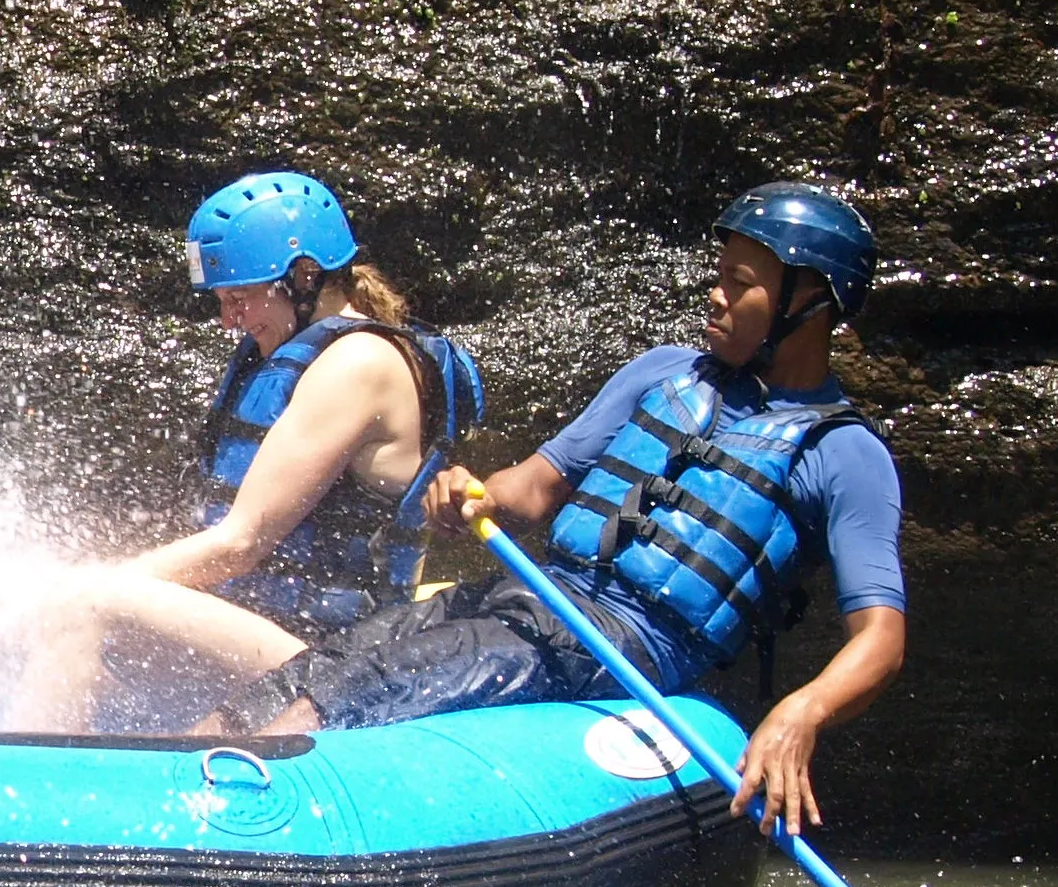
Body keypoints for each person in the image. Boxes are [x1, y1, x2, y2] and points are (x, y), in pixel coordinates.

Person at [216, 184, 907, 832]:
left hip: (625, 642)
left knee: (368, 684)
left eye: (741, 283)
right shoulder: (664, 373)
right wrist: (470, 493)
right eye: (718, 273)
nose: (715, 295)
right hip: (534, 595)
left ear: (810, 302)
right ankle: (161, 766)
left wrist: (803, 712)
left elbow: (880, 638)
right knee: (319, 665)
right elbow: (536, 487)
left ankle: (225, 812)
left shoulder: (842, 453)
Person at [29, 171, 483, 728]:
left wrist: (91, 586)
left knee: (84, 608)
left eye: (240, 299)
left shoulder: (359, 363)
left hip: (334, 655)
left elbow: (239, 545)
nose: (228, 320)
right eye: (222, 301)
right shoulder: (294, 349)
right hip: (268, 628)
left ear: (306, 276)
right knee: (58, 630)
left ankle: (34, 789)